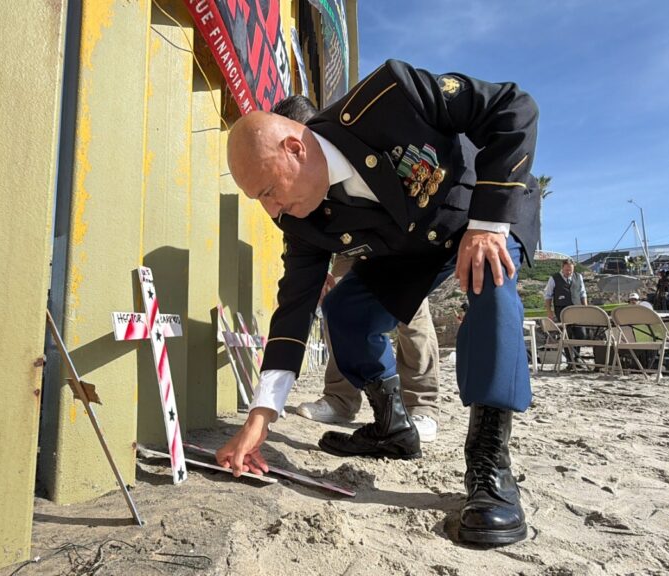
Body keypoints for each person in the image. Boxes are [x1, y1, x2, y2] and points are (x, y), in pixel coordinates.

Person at [216, 59, 539, 545]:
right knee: (343, 311)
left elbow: (513, 106)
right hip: (410, 251)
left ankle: (490, 469)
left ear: (295, 147)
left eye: (269, 191)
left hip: (479, 213)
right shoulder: (300, 220)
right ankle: (393, 428)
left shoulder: (392, 97)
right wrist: (260, 417)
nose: (272, 210)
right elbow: (293, 307)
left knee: (491, 284)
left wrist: (489, 223)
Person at [272, 95, 440, 441]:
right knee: (340, 311)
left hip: (399, 236)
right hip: (348, 242)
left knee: (411, 315)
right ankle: (340, 398)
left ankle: (421, 405)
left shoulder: (363, 136)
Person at [544, 259, 586, 365]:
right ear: (562, 267)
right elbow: (548, 296)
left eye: (570, 270)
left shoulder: (578, 277)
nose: (568, 272)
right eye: (567, 270)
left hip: (577, 308)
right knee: (568, 334)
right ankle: (570, 360)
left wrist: (586, 307)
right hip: (562, 309)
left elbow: (582, 293)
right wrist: (549, 311)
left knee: (581, 334)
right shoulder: (554, 278)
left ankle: (577, 356)